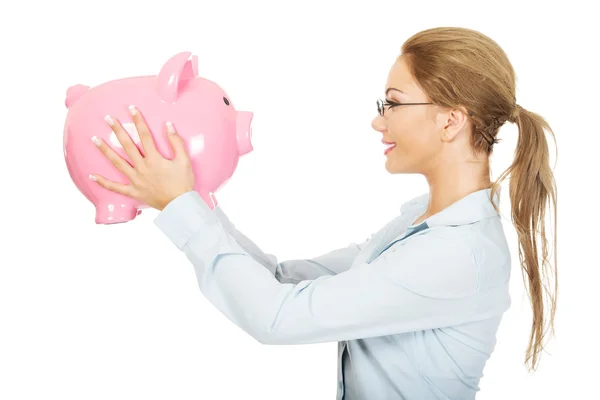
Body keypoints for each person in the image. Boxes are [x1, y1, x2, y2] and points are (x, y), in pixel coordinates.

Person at [89, 26, 558, 400]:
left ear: (451, 120)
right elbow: (283, 278)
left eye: (392, 103)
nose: (379, 120)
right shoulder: (422, 222)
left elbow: (277, 318)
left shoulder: (457, 253)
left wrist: (179, 205)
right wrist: (192, 196)